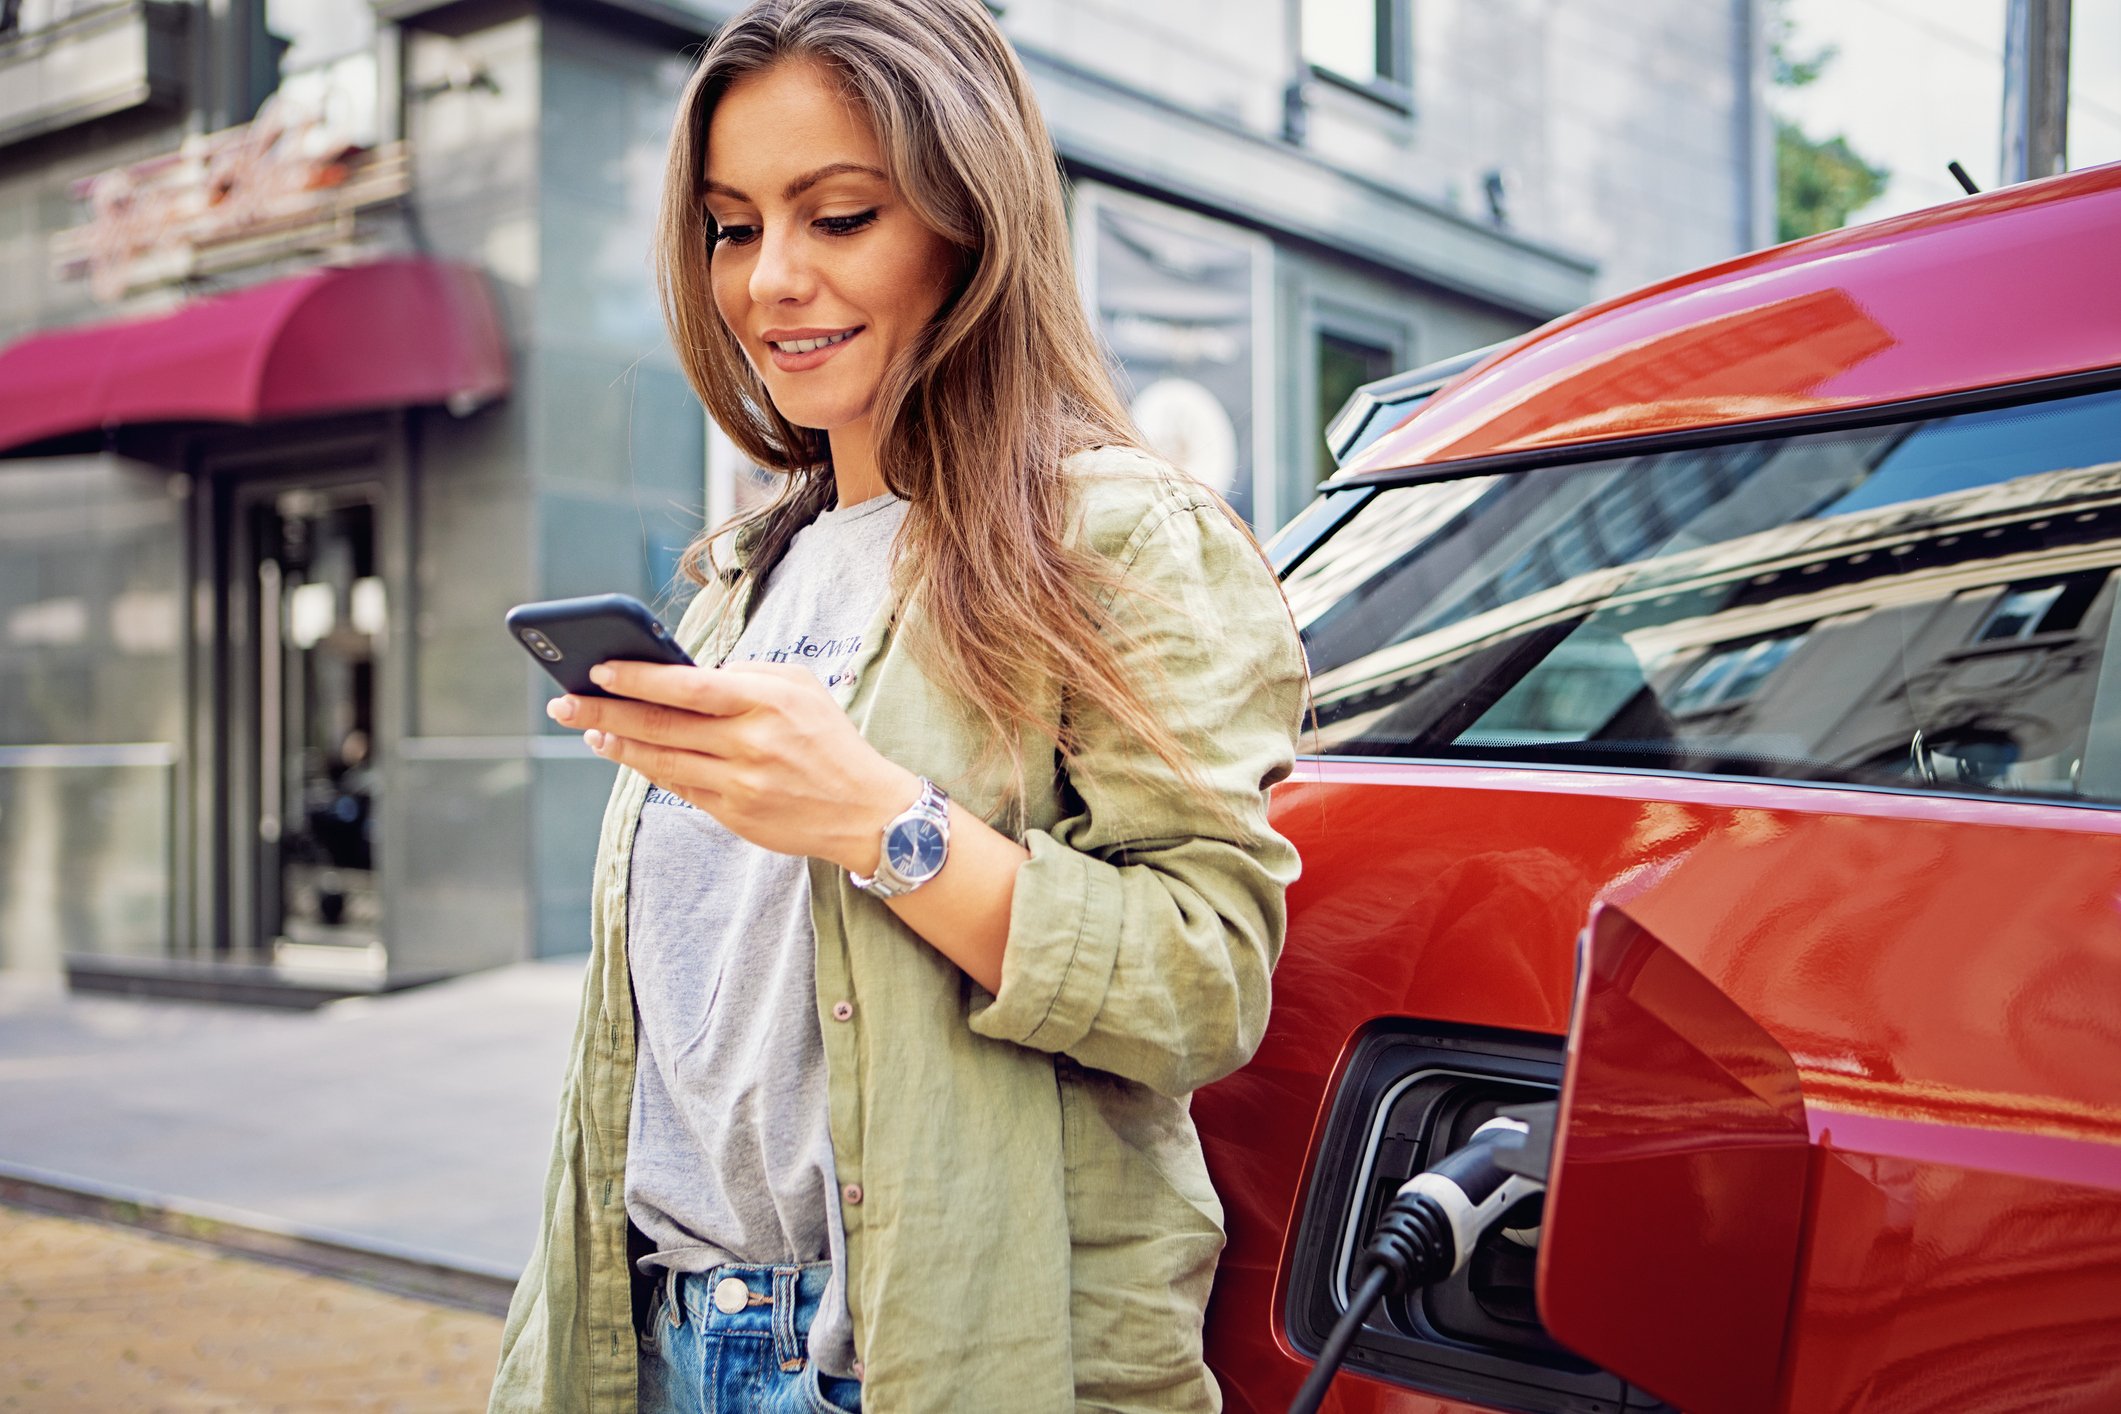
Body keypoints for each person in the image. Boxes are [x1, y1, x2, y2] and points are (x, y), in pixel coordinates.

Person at [487, 1, 1306, 1409]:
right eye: (734, 228)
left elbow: (1205, 983)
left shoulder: (1117, 534)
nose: (770, 282)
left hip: (921, 1354)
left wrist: (885, 821)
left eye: (841, 216)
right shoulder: (741, 583)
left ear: (968, 227)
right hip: (665, 1337)